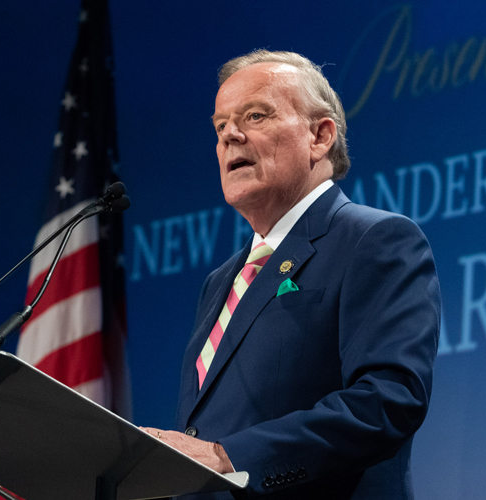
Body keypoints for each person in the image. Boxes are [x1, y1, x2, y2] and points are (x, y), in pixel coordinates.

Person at [143, 49, 441, 499]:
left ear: (320, 136)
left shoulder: (373, 239)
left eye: (255, 116)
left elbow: (388, 401)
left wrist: (229, 456)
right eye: (220, 126)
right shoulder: (220, 281)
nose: (231, 137)